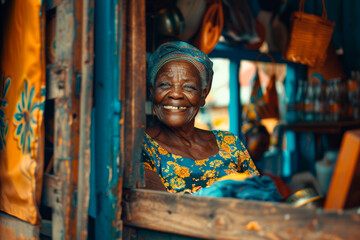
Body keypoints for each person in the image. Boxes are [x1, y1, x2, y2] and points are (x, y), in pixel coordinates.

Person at [142, 41, 259, 194]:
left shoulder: (230, 144)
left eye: (188, 87)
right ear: (152, 91)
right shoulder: (142, 147)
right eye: (164, 84)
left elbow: (259, 194)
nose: (176, 94)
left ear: (203, 95)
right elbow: (159, 210)